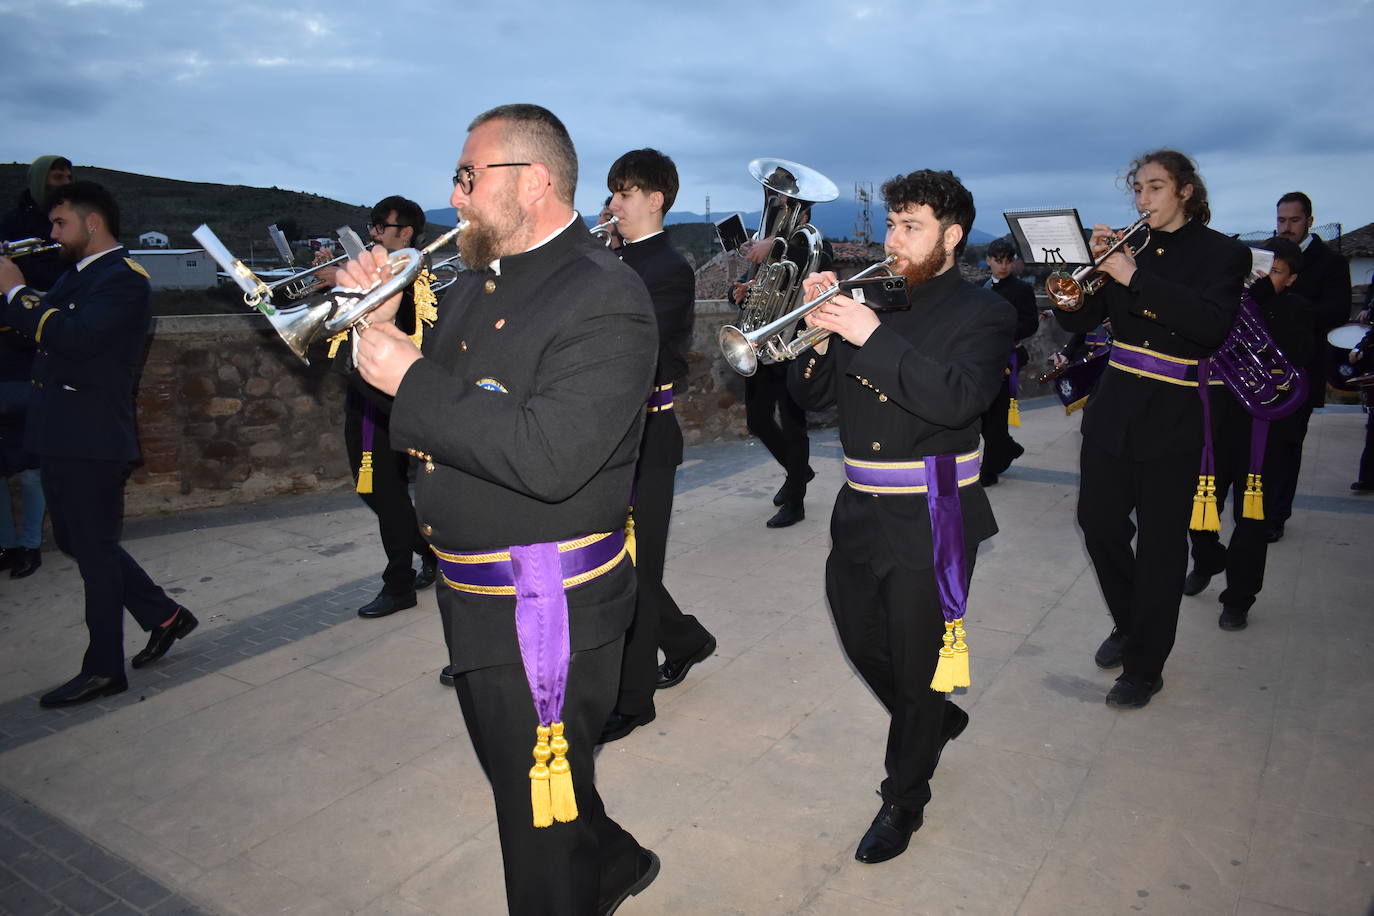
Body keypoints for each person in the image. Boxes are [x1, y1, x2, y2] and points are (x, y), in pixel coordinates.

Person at [341, 104, 659, 915]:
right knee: (525, 785)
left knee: (533, 836)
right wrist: (372, 322)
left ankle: (588, 874)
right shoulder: (475, 281)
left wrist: (412, 377)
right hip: (473, 591)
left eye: (468, 177)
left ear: (536, 182)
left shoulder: (605, 296)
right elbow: (413, 402)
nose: (455, 198)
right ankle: (614, 859)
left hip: (543, 605)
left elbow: (549, 457)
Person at [789, 169, 1015, 864]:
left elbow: (955, 400)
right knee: (861, 637)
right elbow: (812, 401)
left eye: (910, 226)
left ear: (951, 236)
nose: (894, 239)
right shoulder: (870, 299)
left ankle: (904, 797)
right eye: (892, 224)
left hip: (936, 509)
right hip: (859, 506)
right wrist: (818, 336)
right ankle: (934, 718)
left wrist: (867, 333)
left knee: (920, 665)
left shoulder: (986, 312)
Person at [1055, 149, 1250, 708]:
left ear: (1186, 191)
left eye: (1155, 188)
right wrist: (1077, 281)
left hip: (1176, 413)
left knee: (1164, 547)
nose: (1142, 200)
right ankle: (1130, 623)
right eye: (1137, 189)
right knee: (1098, 526)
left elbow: (1209, 327)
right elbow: (1081, 319)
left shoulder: (1224, 254)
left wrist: (1134, 275)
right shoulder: (1127, 248)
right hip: (1113, 406)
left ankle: (1145, 666)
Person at [0, 181, 196, 707]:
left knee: (92, 551)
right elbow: (39, 329)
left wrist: (17, 293)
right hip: (65, 432)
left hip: (90, 436)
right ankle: (165, 616)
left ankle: (104, 668)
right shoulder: (77, 275)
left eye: (60, 224)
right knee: (82, 542)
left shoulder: (123, 279)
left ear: (92, 223)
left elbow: (76, 336)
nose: (51, 233)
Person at [597, 149, 715, 744]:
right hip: (604, 435)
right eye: (613, 191)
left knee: (637, 569)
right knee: (614, 560)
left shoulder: (668, 267)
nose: (613, 203)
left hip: (647, 433)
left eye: (625, 192)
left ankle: (633, 699)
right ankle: (688, 639)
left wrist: (595, 264)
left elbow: (632, 344)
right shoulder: (612, 259)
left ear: (655, 200)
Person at [1181, 237, 1315, 630]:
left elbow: (1300, 358)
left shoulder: (1297, 309)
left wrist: (1264, 310)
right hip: (1217, 425)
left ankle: (1238, 598)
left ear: (1290, 279)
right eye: (1259, 269)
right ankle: (1206, 559)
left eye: (1274, 273)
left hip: (1266, 430)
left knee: (1252, 520)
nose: (1262, 278)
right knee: (1200, 508)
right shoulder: (1228, 306)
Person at [322, 196, 440, 625]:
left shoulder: (407, 275)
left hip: (384, 400)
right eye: (370, 226)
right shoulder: (382, 271)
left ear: (404, 233)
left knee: (385, 494)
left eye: (380, 226)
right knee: (372, 491)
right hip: (363, 395)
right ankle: (431, 553)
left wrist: (343, 279)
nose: (373, 233)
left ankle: (399, 584)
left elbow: (400, 325)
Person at [736, 202, 830, 528]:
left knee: (793, 425)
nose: (774, 221)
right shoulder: (770, 247)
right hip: (761, 346)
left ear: (801, 217)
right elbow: (757, 285)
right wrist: (742, 290)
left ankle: (796, 501)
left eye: (782, 214)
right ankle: (798, 472)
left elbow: (816, 273)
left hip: (792, 347)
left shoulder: (814, 244)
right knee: (757, 419)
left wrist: (776, 244)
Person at [1266, 191, 1353, 540]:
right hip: (1261, 369)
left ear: (1310, 222)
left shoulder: (1331, 263)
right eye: (1281, 220)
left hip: (1302, 369)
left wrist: (1288, 312)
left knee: (1287, 445)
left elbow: (1337, 310)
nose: (1286, 228)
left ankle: (1275, 517)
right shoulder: (1266, 257)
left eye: (1294, 220)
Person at [979, 236, 1040, 485]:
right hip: (982, 360)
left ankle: (989, 470)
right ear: (988, 261)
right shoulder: (978, 287)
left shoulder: (1022, 290)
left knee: (996, 416)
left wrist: (1003, 332)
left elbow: (1031, 323)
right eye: (998, 261)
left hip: (1007, 360)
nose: (1003, 266)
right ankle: (1008, 448)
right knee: (982, 415)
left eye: (1007, 261)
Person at [1, 155, 72, 293]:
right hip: (22, 296)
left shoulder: (75, 218)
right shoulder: (12, 220)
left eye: (69, 177)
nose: (66, 183)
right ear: (40, 181)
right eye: (58, 177)